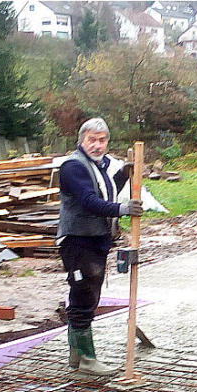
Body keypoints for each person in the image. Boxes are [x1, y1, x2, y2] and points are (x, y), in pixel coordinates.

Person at [57, 118, 140, 375]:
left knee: (86, 296)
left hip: (94, 240)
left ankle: (77, 356)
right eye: (92, 140)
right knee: (84, 296)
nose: (97, 145)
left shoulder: (97, 165)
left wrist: (122, 176)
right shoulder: (73, 166)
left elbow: (104, 192)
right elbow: (89, 200)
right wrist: (123, 209)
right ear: (81, 140)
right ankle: (86, 360)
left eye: (102, 140)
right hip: (78, 241)